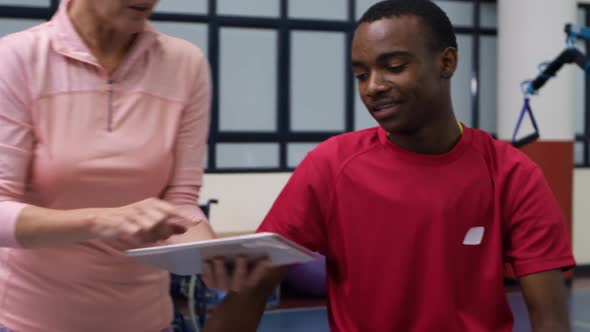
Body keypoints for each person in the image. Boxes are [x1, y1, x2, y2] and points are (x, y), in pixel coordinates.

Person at [200, 1, 576, 331]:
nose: (372, 87)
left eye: (393, 66)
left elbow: (551, 320)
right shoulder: (331, 166)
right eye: (361, 74)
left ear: (447, 62)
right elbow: (253, 291)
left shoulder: (512, 175)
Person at [0, 0, 219, 331]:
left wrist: (213, 258)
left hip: (148, 320)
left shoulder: (185, 64)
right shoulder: (17, 57)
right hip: (29, 321)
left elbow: (181, 203)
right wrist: (102, 220)